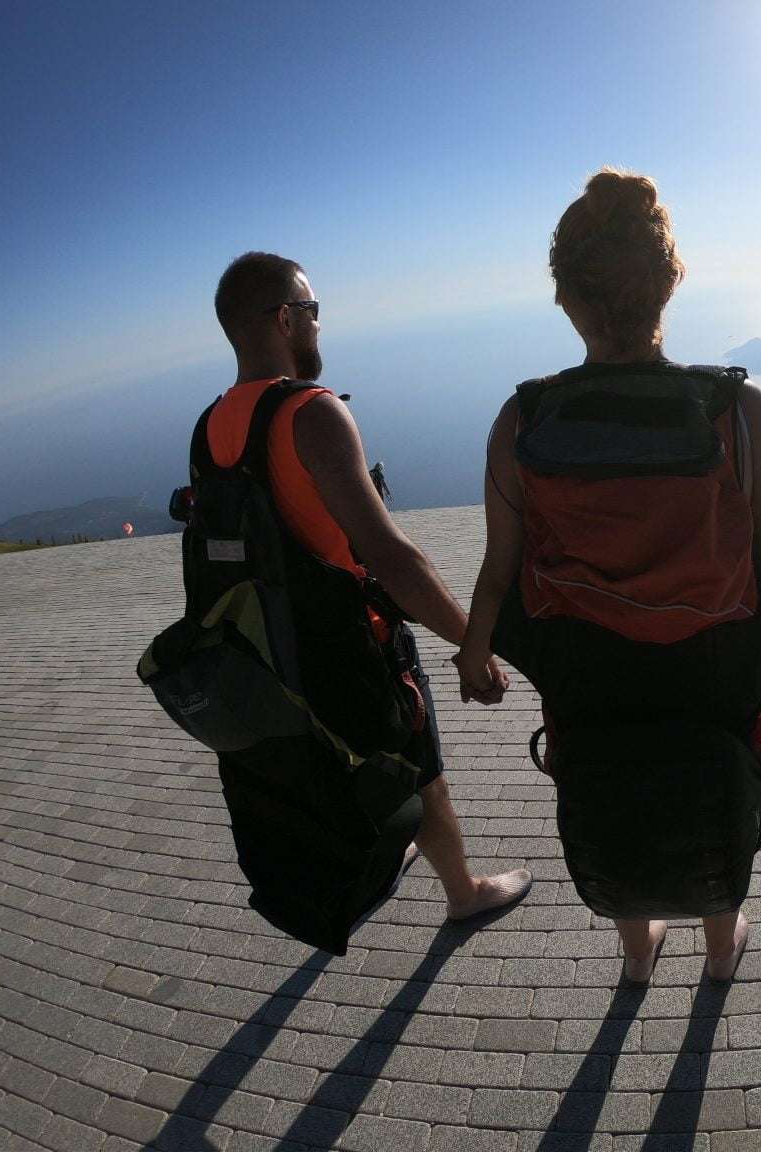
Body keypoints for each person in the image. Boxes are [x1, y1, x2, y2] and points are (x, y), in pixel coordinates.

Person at [457, 171, 761, 984]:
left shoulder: (523, 421)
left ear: (566, 297)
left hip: (588, 681)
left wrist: (475, 651)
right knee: (719, 784)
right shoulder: (736, 413)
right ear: (667, 285)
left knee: (607, 788)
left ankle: (636, 951)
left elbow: (498, 566)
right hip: (717, 672)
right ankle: (721, 949)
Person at [207, 252, 531, 927]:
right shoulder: (311, 413)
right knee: (424, 764)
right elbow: (392, 560)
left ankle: (414, 851)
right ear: (286, 318)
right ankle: (464, 894)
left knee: (388, 766)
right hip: (354, 643)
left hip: (280, 648)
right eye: (313, 312)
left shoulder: (211, 426)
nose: (320, 328)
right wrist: (476, 640)